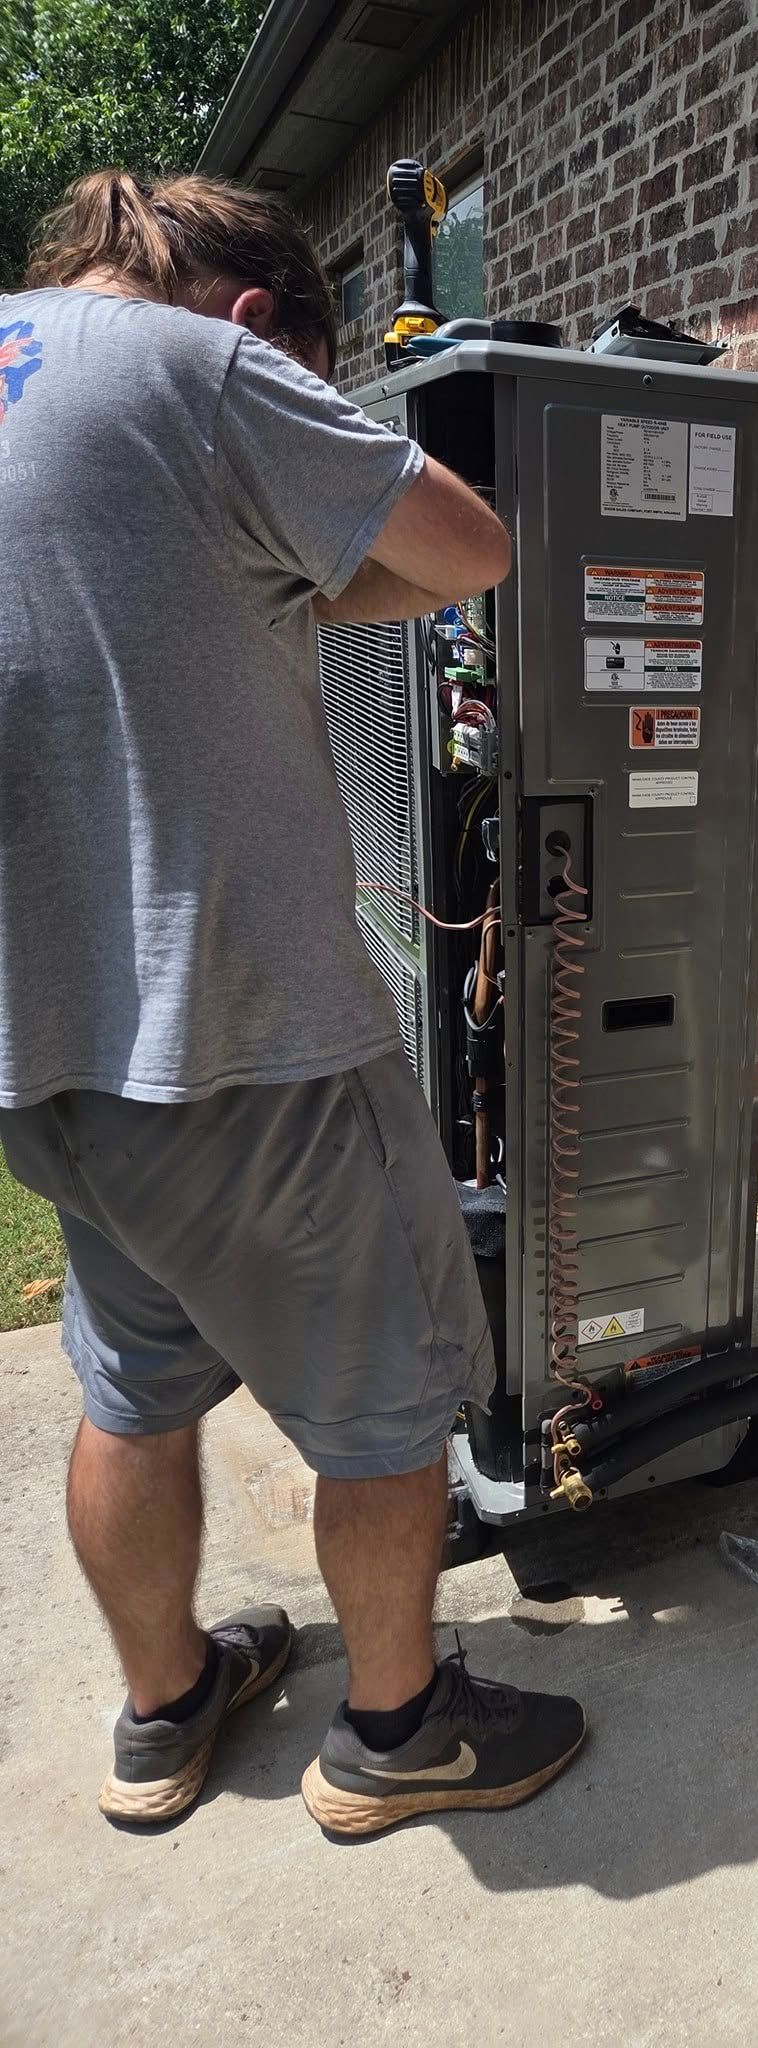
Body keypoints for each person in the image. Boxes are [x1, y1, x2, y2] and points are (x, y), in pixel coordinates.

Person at [0, 170, 586, 1837]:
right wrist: (308, 571)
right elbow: (472, 548)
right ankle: (398, 1742)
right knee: (390, 1401)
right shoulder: (199, 367)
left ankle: (165, 1711)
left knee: (129, 1385)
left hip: (35, 1052)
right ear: (261, 320)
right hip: (237, 1030)